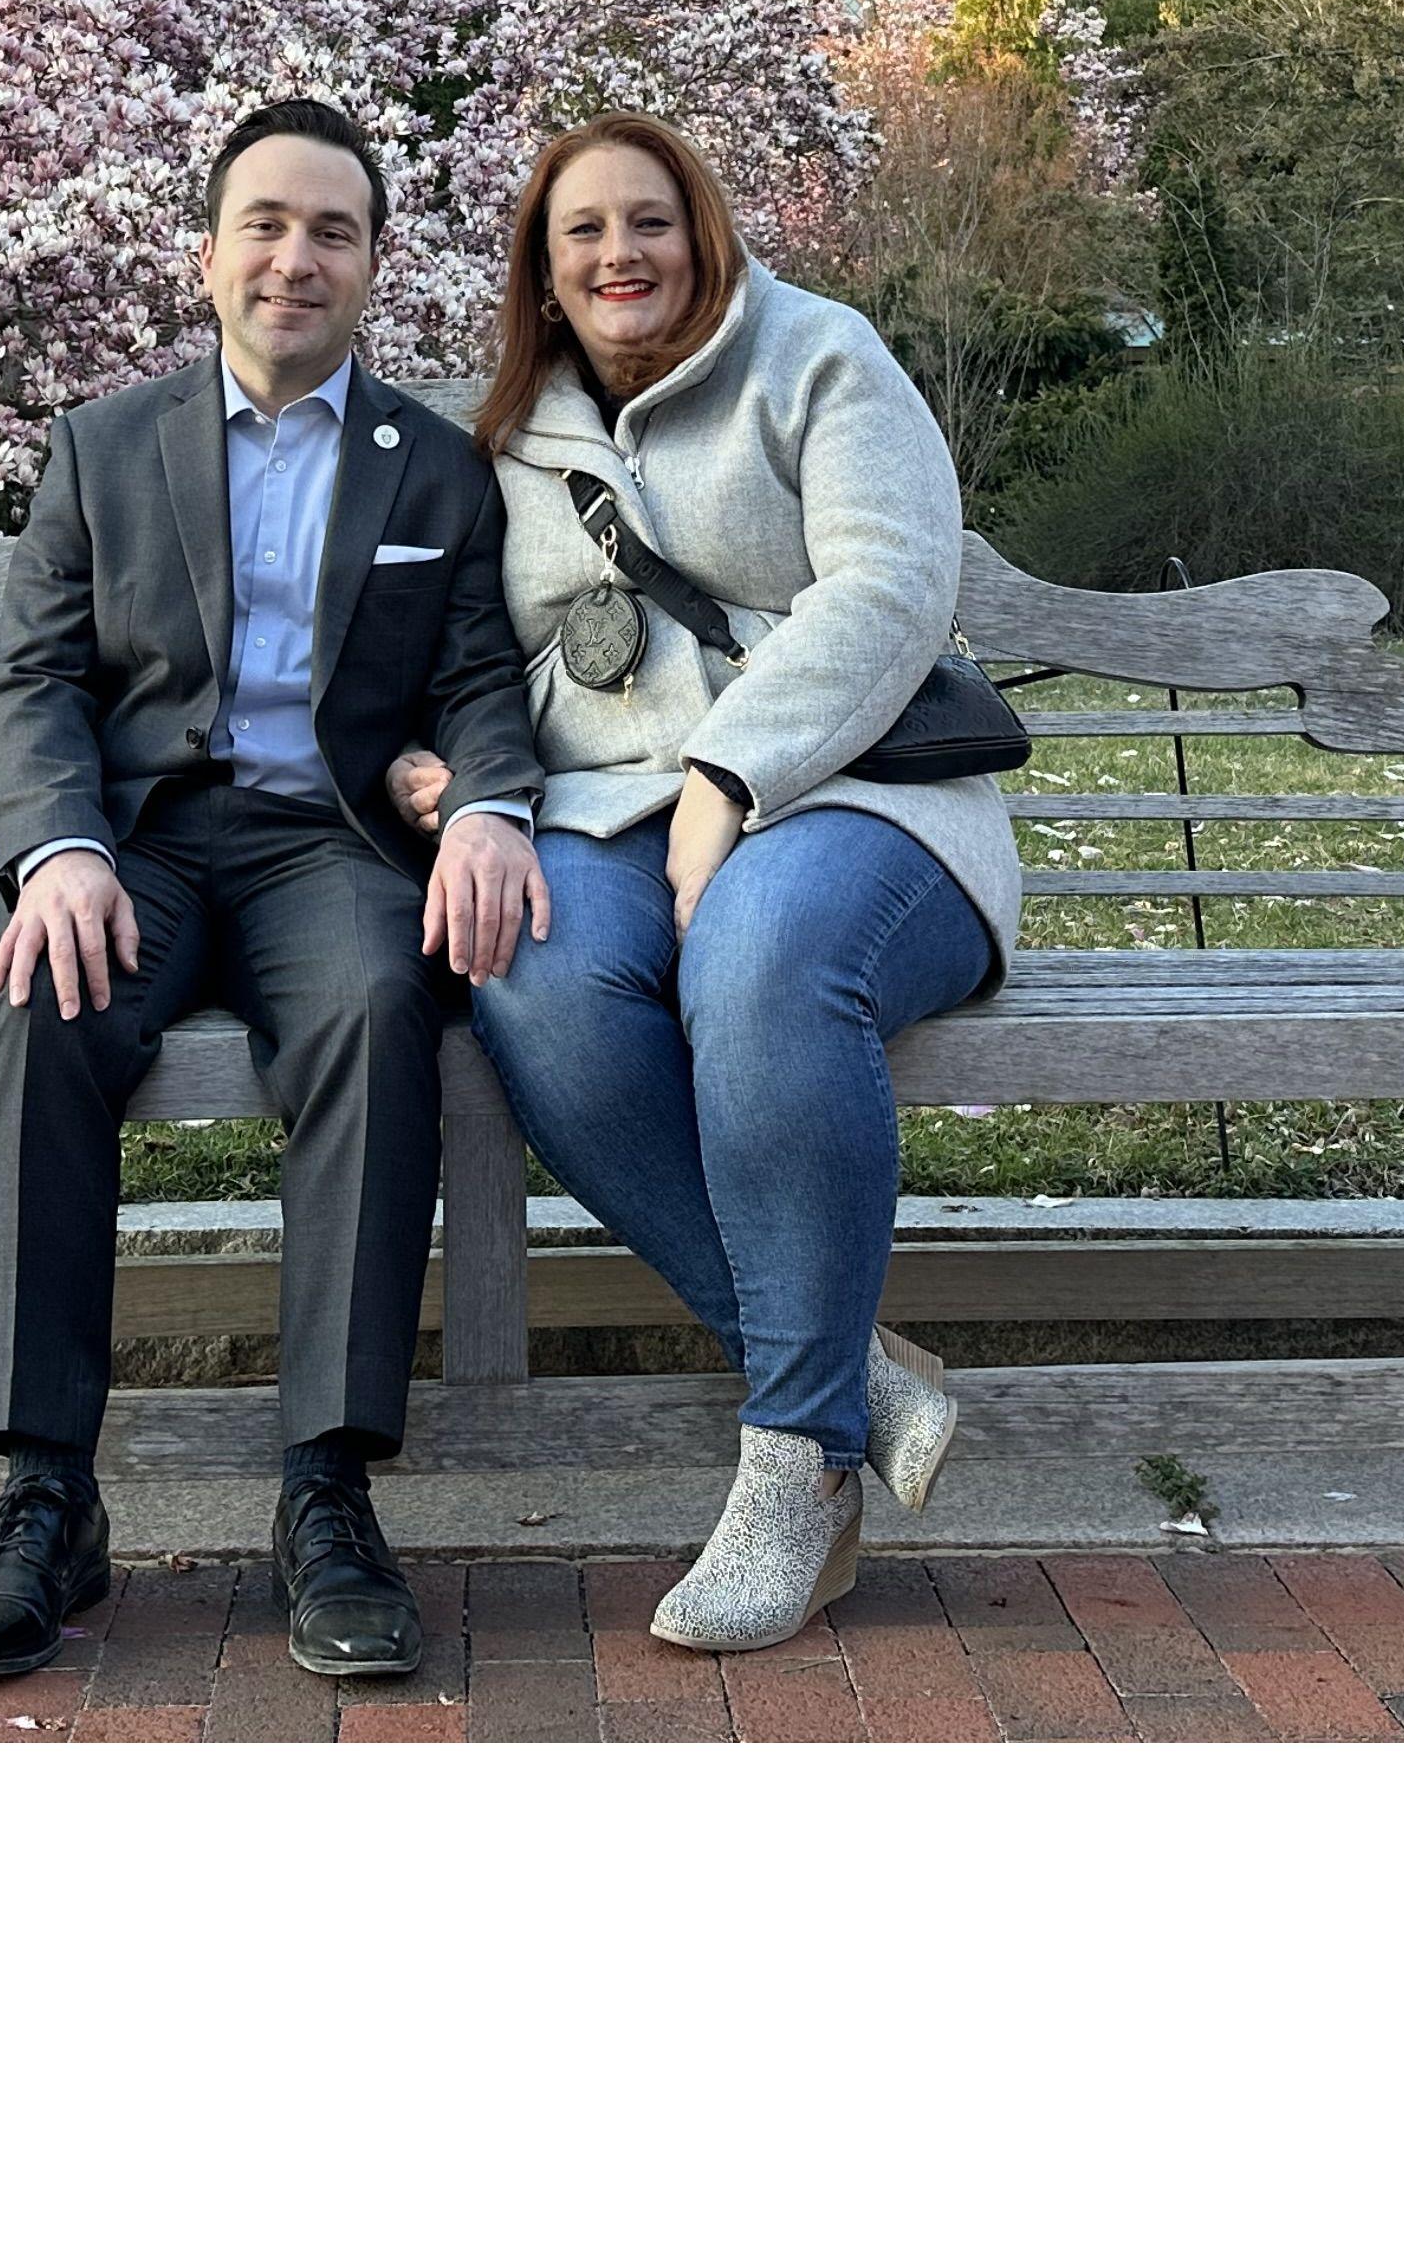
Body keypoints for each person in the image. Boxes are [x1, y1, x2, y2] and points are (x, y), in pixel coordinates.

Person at [0, 99, 549, 1687]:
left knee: (374, 1006)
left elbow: (484, 671)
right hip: (138, 835)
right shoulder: (104, 445)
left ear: (372, 266)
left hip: (325, 845)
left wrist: (488, 805)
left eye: (332, 231)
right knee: (32, 1009)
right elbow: (36, 678)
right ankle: (44, 1497)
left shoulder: (436, 470)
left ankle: (327, 1493)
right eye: (266, 225)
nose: (296, 258)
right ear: (207, 253)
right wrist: (58, 847)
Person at [393, 111, 1015, 1655]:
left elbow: (891, 585)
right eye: (584, 231)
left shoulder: (820, 358)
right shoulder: (513, 437)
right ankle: (847, 1373)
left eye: (649, 221)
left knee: (756, 956)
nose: (621, 255)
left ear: (705, 229)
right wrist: (453, 776)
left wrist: (734, 779)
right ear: (543, 268)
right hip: (604, 812)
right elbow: (492, 657)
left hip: (860, 797)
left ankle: (795, 1466)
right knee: (532, 977)